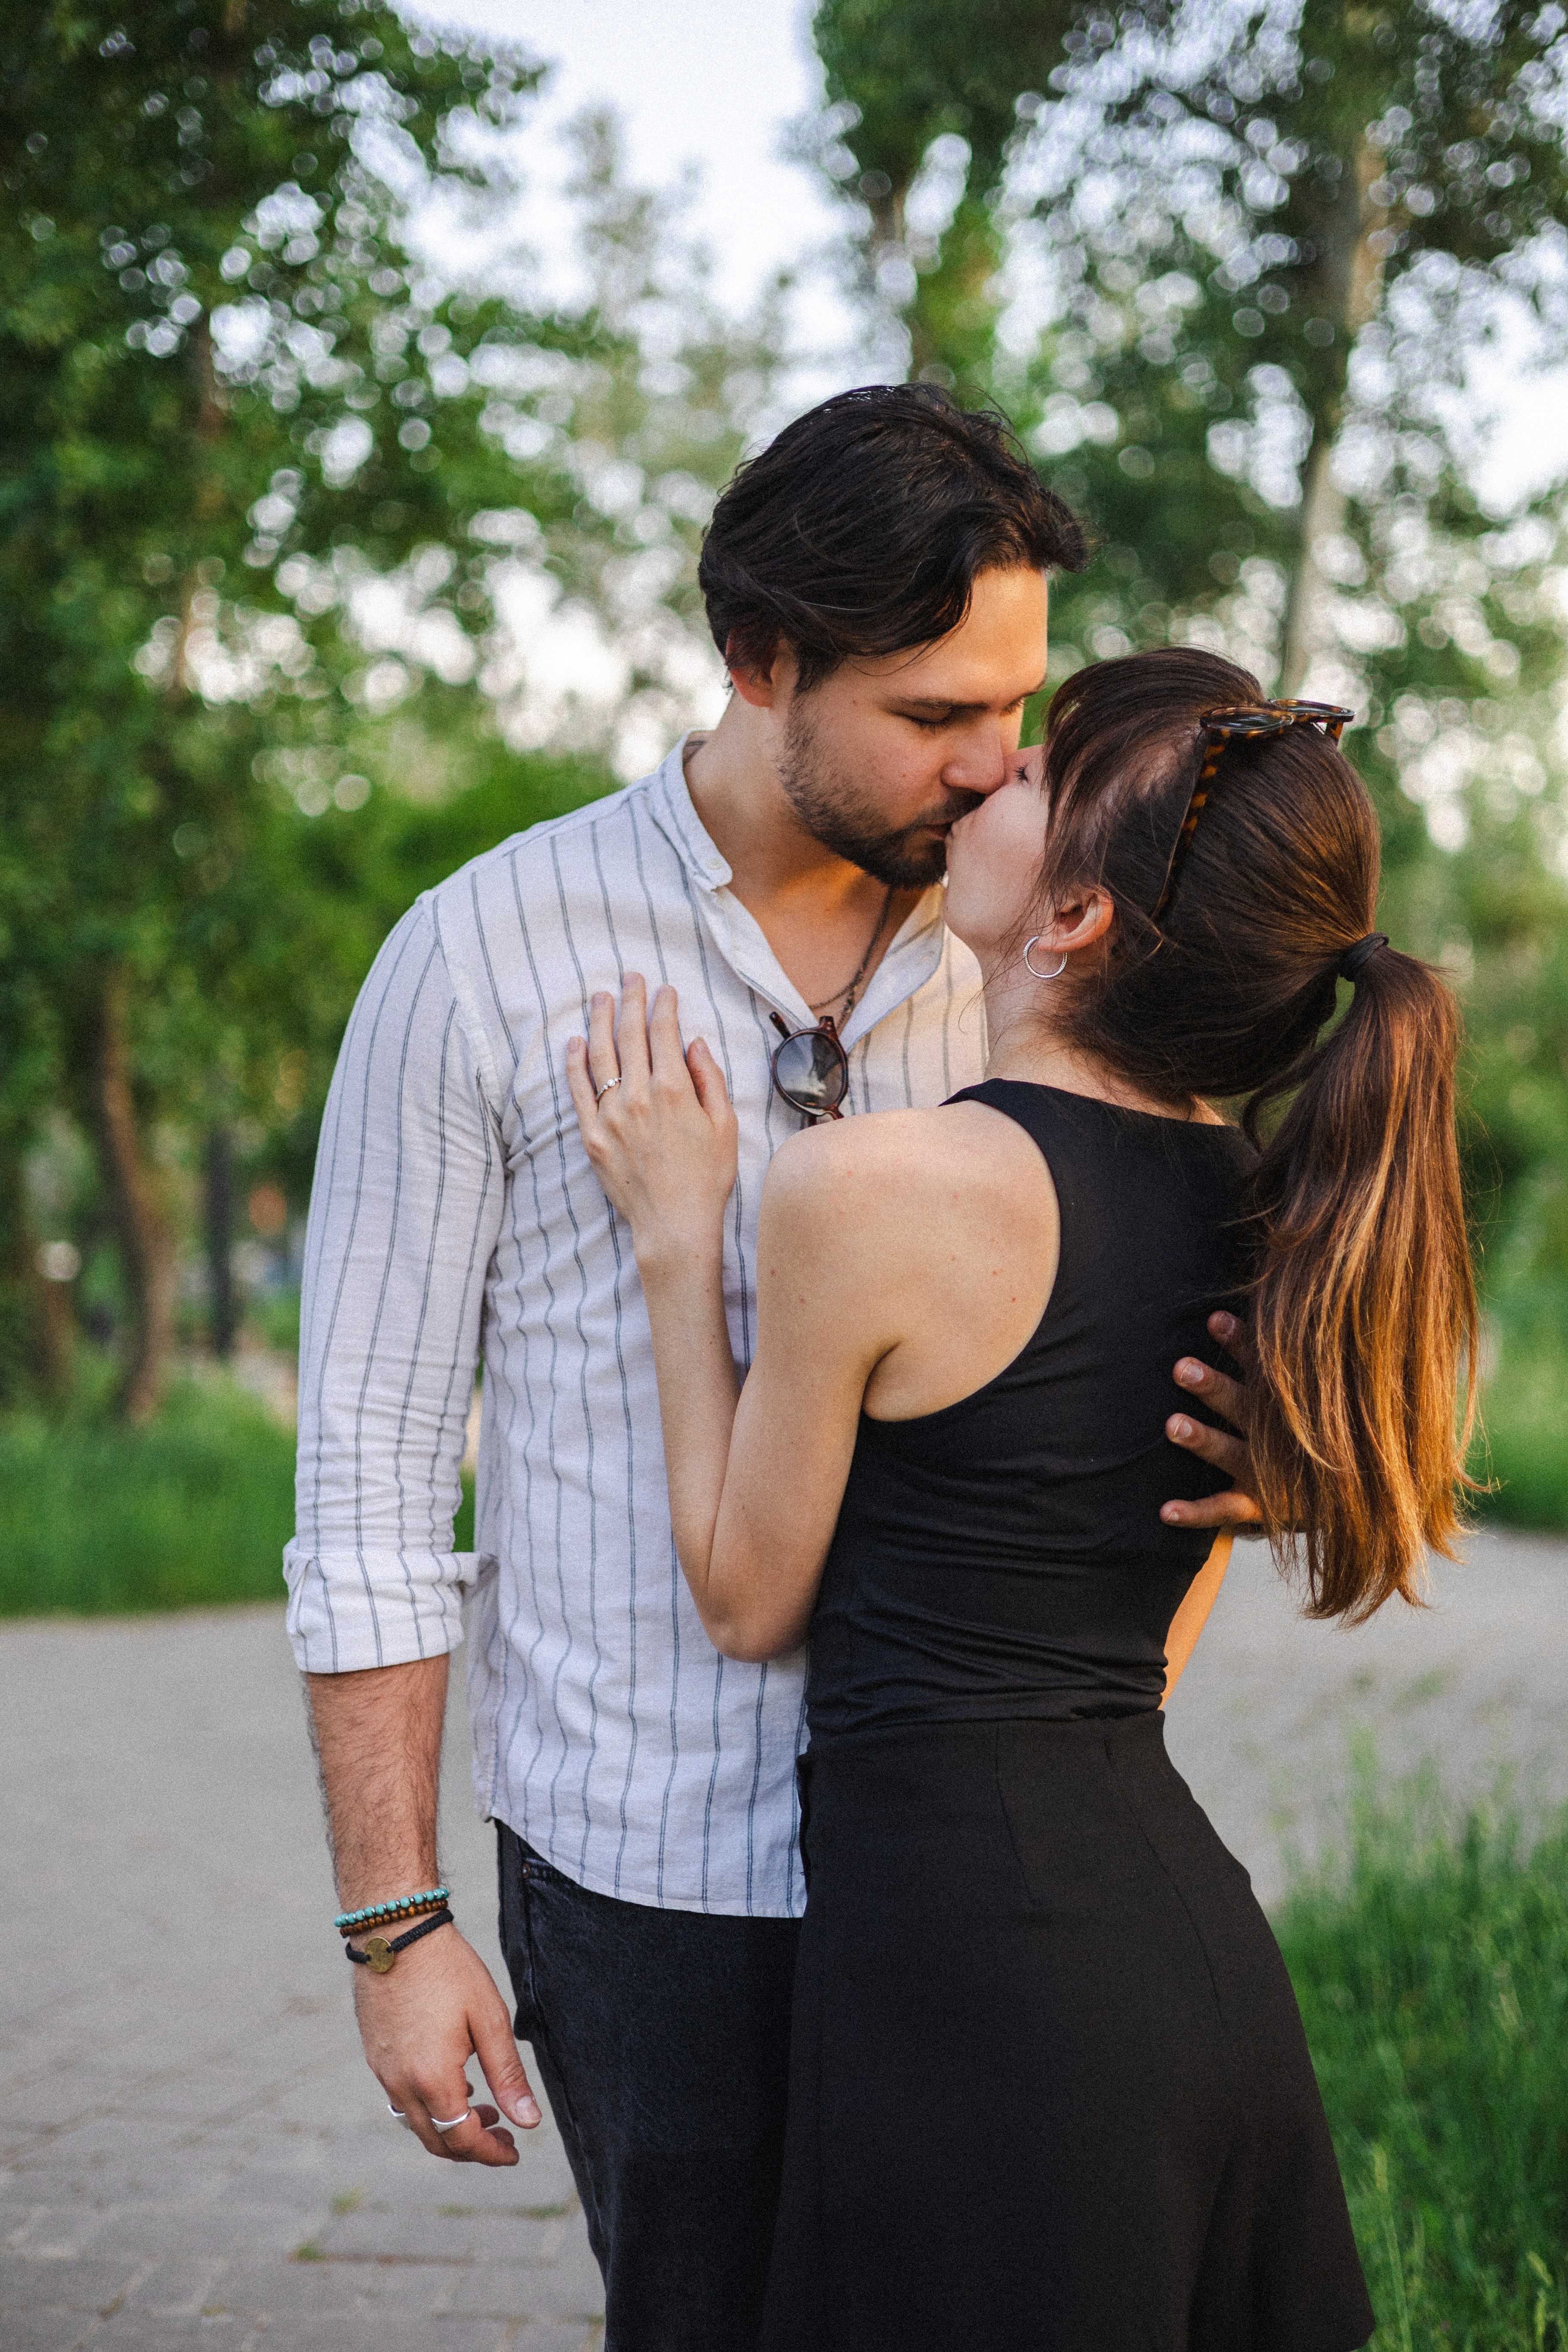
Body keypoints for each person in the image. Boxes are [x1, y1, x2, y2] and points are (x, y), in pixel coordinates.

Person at [286, 389, 1260, 2350]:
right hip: (659, 1893)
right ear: (759, 658)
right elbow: (372, 1483)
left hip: (985, 1892)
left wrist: (1251, 1472)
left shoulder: (1059, 944)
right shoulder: (478, 963)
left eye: (1019, 710)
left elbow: (1178, 1345)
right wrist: (397, 1928)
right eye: (935, 719)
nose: (997, 772)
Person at [570, 644, 1477, 2350]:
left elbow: (745, 1596)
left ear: (1078, 922)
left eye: (1039, 776)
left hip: (980, 2000)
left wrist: (678, 1239)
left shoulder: (877, 1188)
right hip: (1179, 1960)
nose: (988, 779)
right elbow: (1147, 1642)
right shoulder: (1258, 1208)